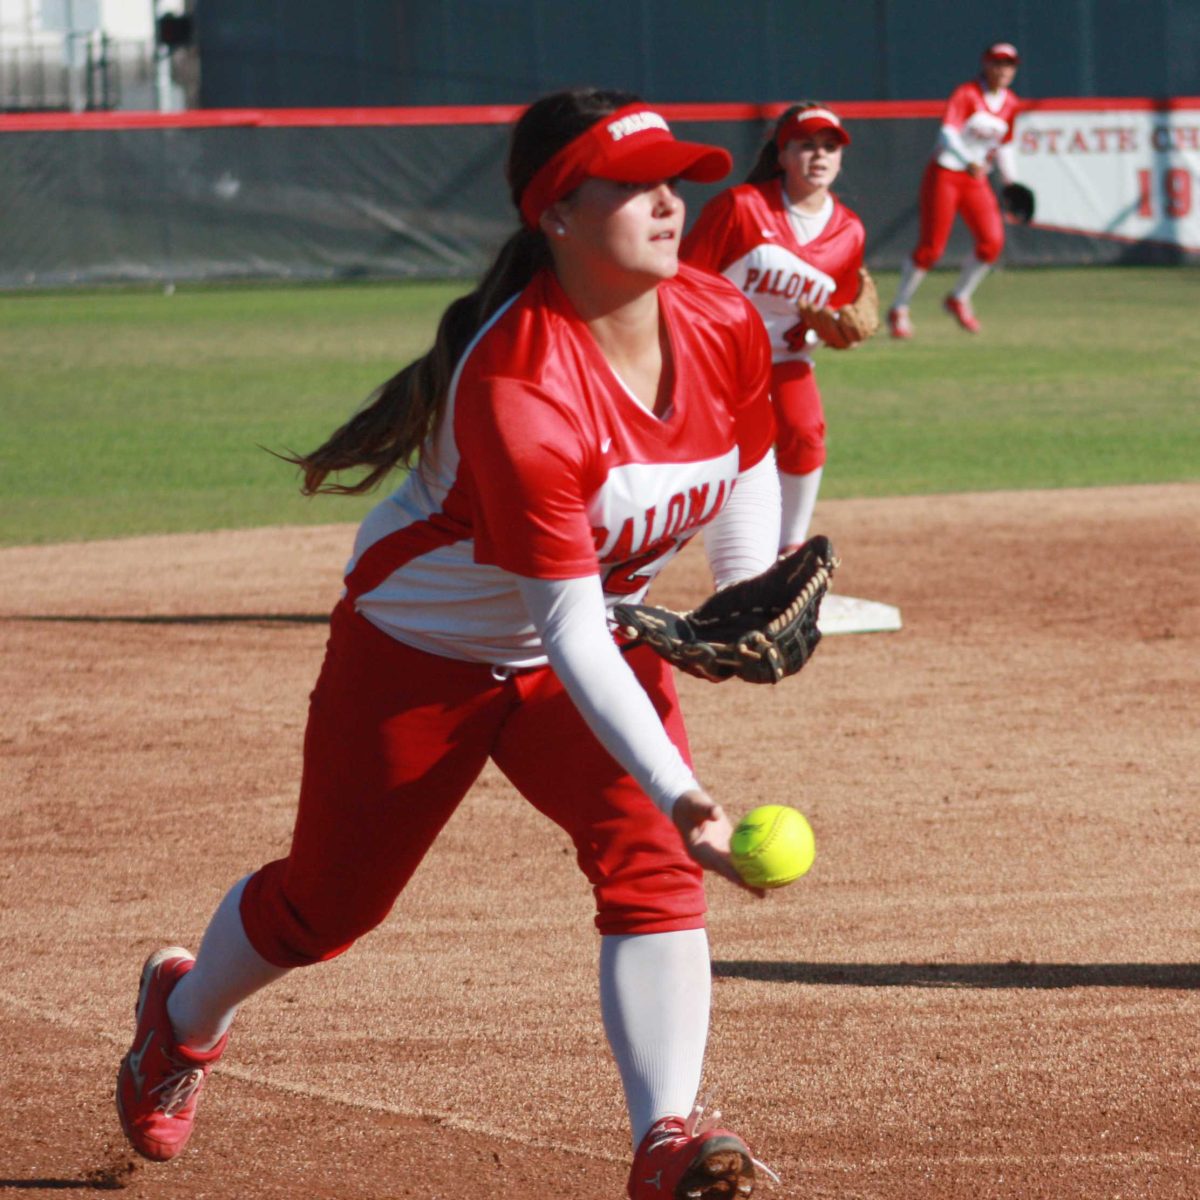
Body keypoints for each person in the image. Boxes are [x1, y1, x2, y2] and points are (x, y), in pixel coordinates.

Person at [114, 88, 786, 1200]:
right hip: (421, 655)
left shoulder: (715, 319)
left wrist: (742, 589)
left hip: (587, 649)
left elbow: (746, 453)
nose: (671, 202)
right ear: (557, 216)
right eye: (633, 184)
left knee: (653, 873)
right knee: (328, 907)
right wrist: (681, 788)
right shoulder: (526, 382)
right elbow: (565, 626)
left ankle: (666, 1141)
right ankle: (180, 1024)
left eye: (677, 178)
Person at [681, 103, 866, 553]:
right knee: (700, 457)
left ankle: (790, 548)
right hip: (717, 361)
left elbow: (836, 308)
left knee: (805, 432)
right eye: (806, 146)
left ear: (840, 160)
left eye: (829, 148)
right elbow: (684, 277)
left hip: (785, 359)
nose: (819, 156)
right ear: (782, 155)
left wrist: (834, 329)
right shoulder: (740, 207)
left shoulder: (849, 232)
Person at [887, 41, 1022, 338]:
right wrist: (969, 160)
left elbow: (1005, 145)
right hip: (946, 173)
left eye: (1009, 64)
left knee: (992, 243)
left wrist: (1011, 182)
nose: (1002, 70)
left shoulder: (1011, 103)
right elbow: (947, 134)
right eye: (997, 63)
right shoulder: (967, 94)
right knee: (931, 249)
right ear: (986, 64)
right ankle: (899, 307)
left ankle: (958, 298)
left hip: (975, 179)